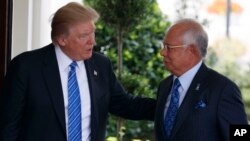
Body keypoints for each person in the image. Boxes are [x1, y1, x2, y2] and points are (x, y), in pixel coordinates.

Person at [0, 2, 156, 141]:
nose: (92, 41)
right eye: (84, 36)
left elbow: (126, 104)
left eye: (92, 32)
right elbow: (8, 126)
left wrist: (169, 107)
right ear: (62, 40)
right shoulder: (26, 67)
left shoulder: (101, 65)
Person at [154, 18, 248, 141]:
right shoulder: (165, 86)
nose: (162, 52)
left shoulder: (223, 89)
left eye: (169, 47)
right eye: (163, 46)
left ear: (191, 50)